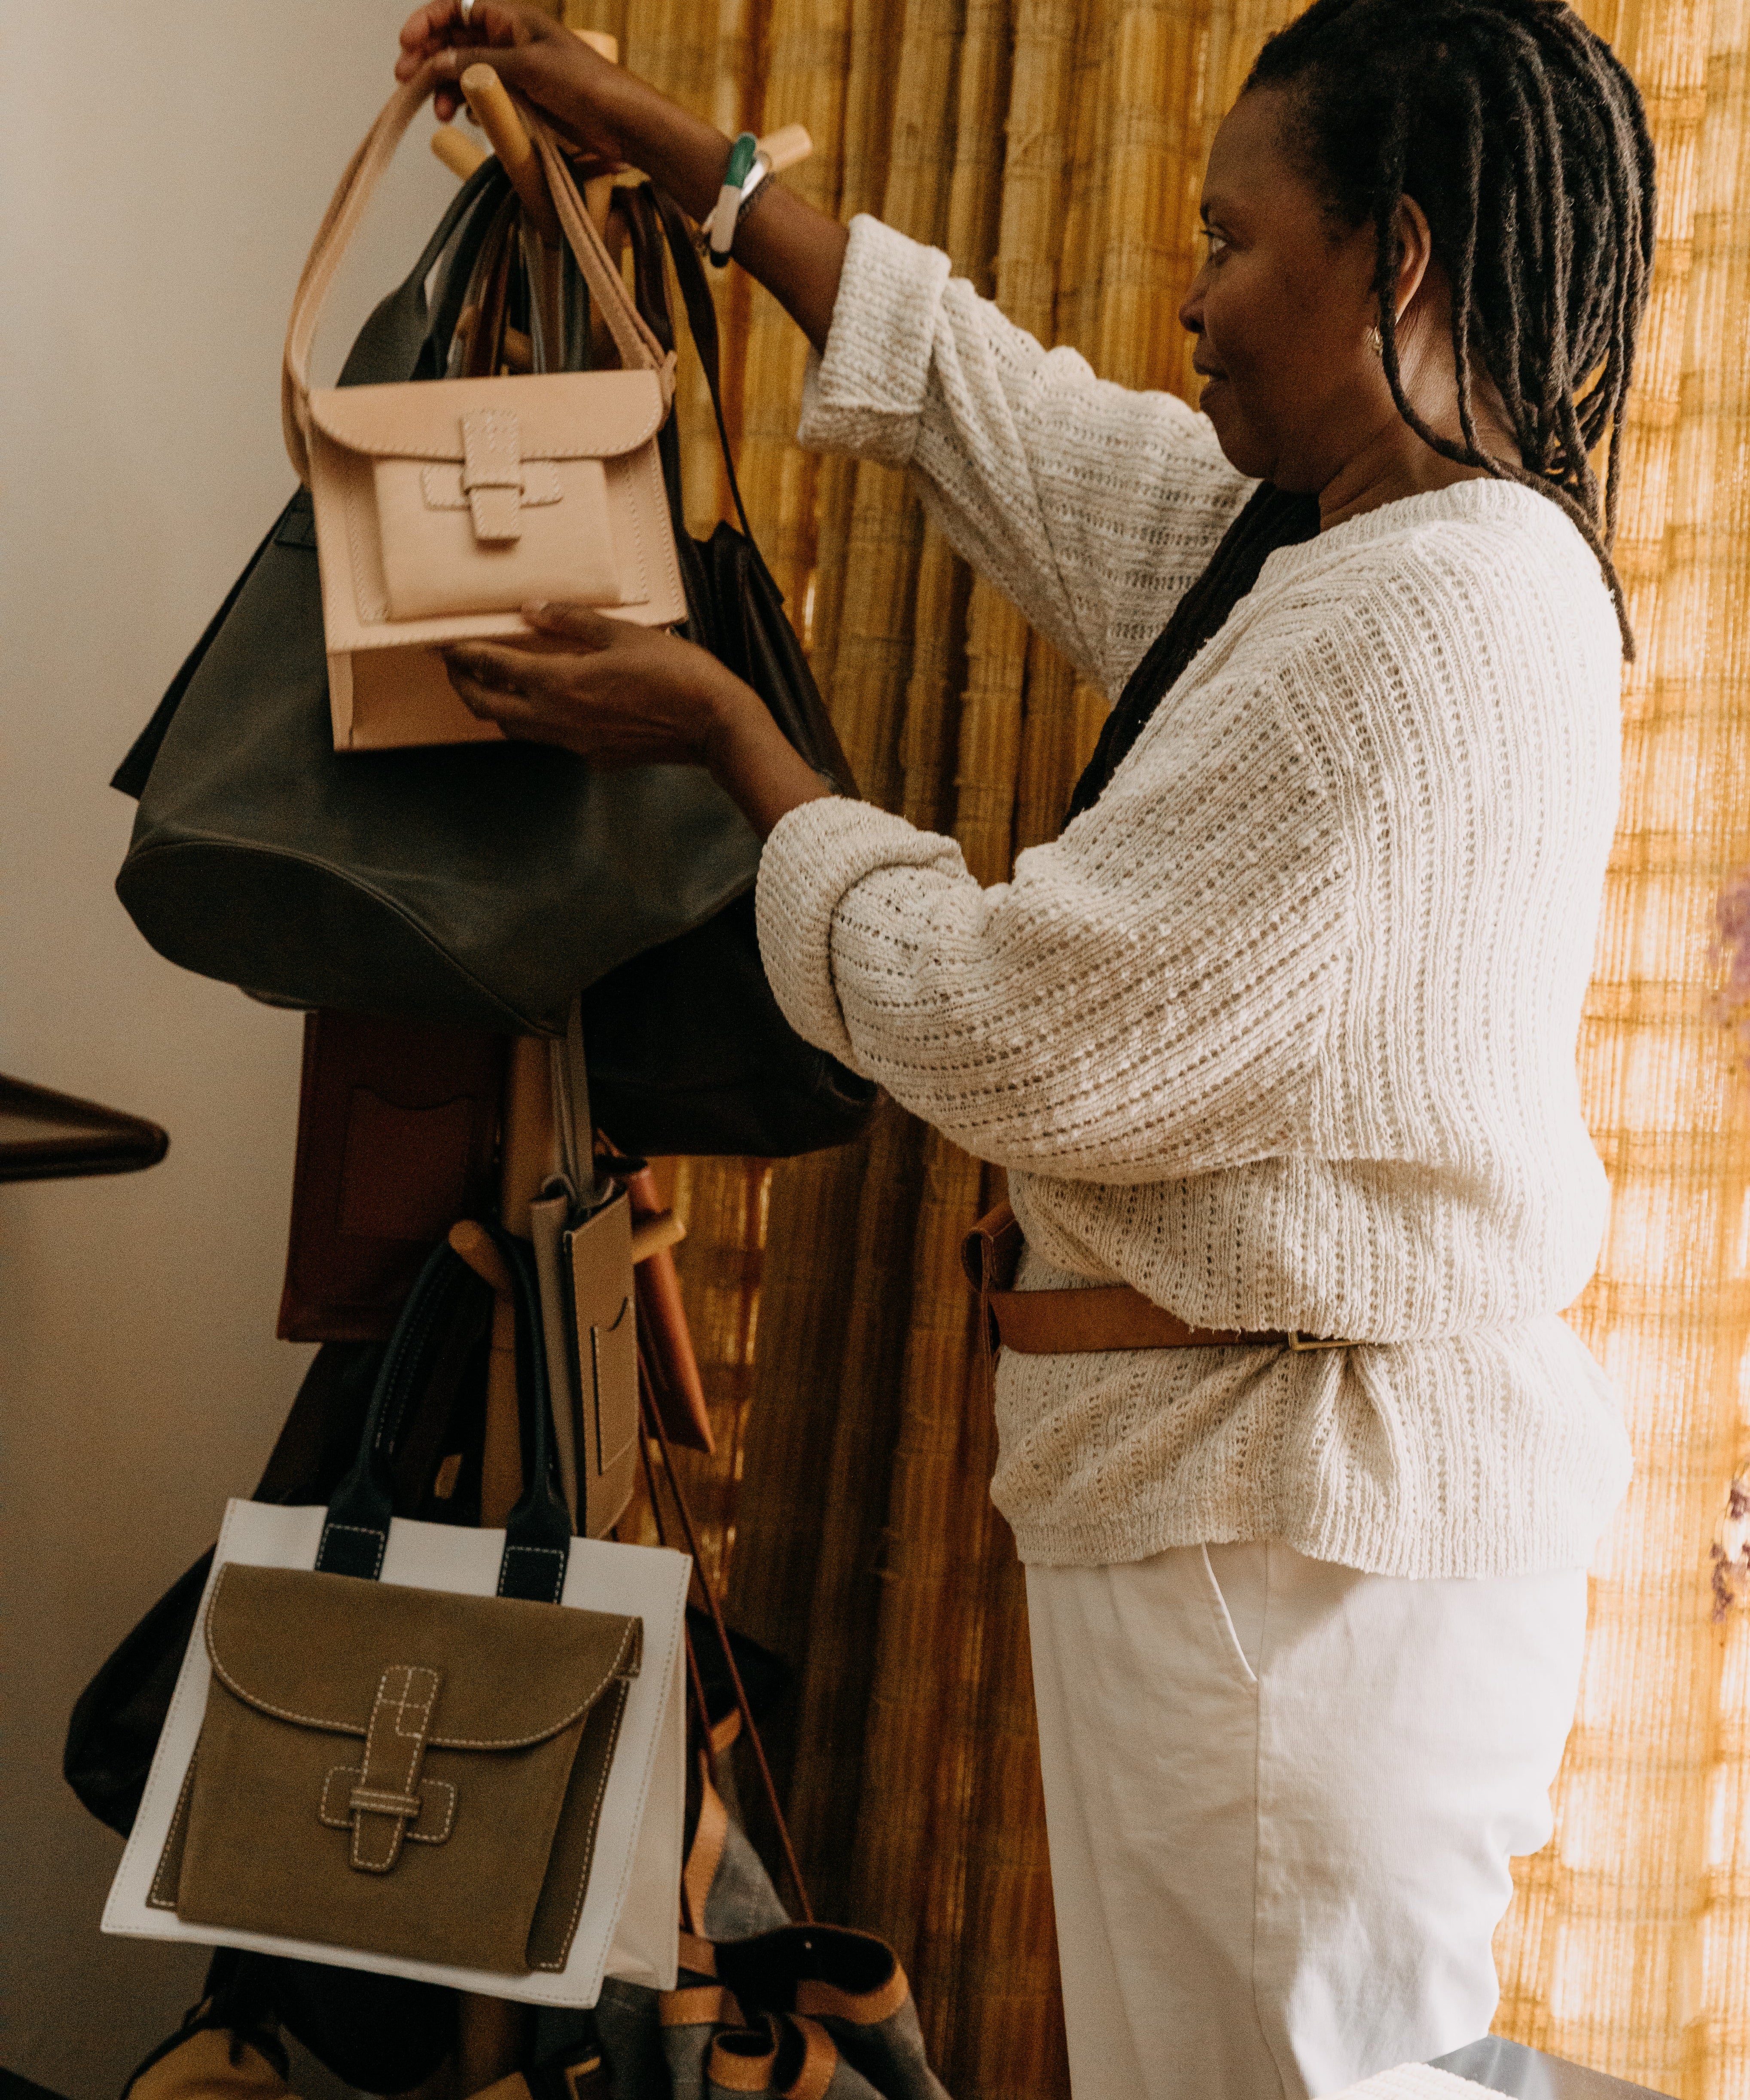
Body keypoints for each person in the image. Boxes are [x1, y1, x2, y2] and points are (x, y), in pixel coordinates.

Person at [394, 3, 1655, 2093]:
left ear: (1396, 262)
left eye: (1230, 242)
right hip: (1271, 1530)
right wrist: (685, 161)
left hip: (1293, 1563)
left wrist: (729, 737)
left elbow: (1013, 1028)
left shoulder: (1419, 621)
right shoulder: (1346, 546)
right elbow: (1014, 424)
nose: (1188, 295)